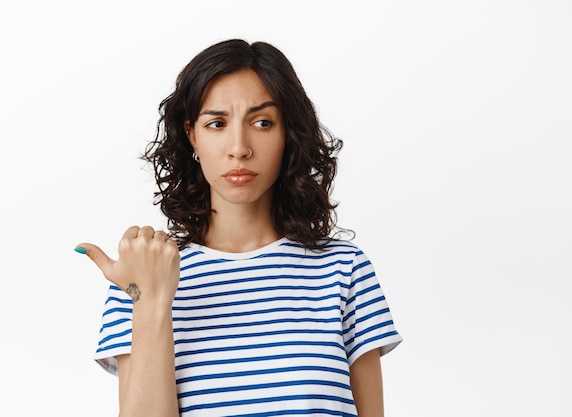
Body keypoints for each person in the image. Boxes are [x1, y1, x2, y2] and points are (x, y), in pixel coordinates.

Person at [75, 38, 402, 417]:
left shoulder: (344, 269)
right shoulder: (141, 279)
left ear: (287, 134)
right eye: (216, 124)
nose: (239, 148)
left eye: (262, 122)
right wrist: (148, 300)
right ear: (192, 135)